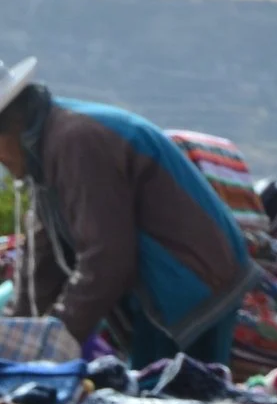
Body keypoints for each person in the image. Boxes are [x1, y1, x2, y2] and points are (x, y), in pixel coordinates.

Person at [0, 59, 253, 367]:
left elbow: (107, 257)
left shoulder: (76, 142)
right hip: (167, 283)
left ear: (12, 124)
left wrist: (58, 337)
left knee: (173, 389)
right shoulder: (45, 148)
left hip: (190, 281)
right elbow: (43, 257)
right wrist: (14, 338)